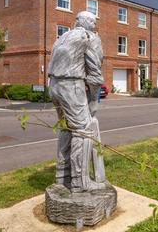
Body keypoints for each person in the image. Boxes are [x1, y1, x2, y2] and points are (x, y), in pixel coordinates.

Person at [48, 11, 108, 192]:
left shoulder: (62, 37)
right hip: (71, 86)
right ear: (87, 22)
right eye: (93, 21)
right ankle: (79, 181)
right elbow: (95, 75)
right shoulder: (90, 37)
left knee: (66, 128)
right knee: (83, 130)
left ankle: (62, 175)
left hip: (54, 86)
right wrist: (93, 101)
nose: (95, 24)